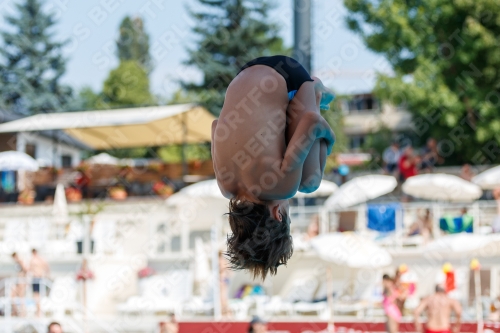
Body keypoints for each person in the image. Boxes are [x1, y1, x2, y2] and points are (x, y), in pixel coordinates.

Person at [212, 55, 335, 279]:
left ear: (279, 215)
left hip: (290, 76)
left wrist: (330, 140)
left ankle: (316, 92)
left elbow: (312, 123)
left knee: (309, 183)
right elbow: (215, 127)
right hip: (243, 73)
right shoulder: (225, 186)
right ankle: (302, 99)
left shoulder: (280, 188)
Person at [29, 248, 50, 317]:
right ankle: (38, 311)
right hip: (39, 278)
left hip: (37, 278)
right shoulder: (41, 259)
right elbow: (47, 267)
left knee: (36, 296)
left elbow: (29, 268)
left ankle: (38, 311)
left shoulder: (34, 260)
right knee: (38, 296)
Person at [11, 252, 28, 316]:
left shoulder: (20, 261)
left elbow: (26, 270)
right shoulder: (17, 262)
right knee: (12, 296)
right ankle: (15, 310)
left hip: (21, 280)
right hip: (17, 280)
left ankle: (22, 312)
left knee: (21, 297)